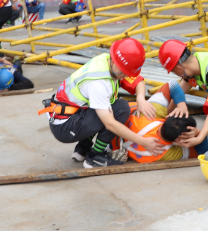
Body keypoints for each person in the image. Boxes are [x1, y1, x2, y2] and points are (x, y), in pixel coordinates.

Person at [40, 38, 165, 168]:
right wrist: (143, 141)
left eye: (127, 72)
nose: (124, 75)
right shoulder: (99, 83)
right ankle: (94, 157)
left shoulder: (107, 61)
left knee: (105, 107)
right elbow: (110, 124)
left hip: (68, 115)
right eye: (122, 71)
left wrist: (140, 99)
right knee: (120, 109)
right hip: (65, 126)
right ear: (114, 60)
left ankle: (82, 149)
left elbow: (138, 81)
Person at [116, 86, 208, 163]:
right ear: (180, 140)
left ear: (166, 117)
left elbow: (172, 85)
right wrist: (197, 133)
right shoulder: (165, 153)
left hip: (116, 116)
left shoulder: (150, 112)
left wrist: (181, 105)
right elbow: (204, 154)